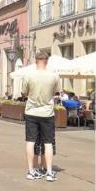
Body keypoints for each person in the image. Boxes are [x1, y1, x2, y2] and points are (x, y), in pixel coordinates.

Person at [21, 51, 60, 181]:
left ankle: (31, 171)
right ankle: (49, 172)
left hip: (31, 112)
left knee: (30, 141)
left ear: (35, 61)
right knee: (48, 143)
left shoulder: (28, 75)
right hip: (47, 113)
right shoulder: (54, 76)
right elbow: (55, 92)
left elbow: (24, 93)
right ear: (47, 61)